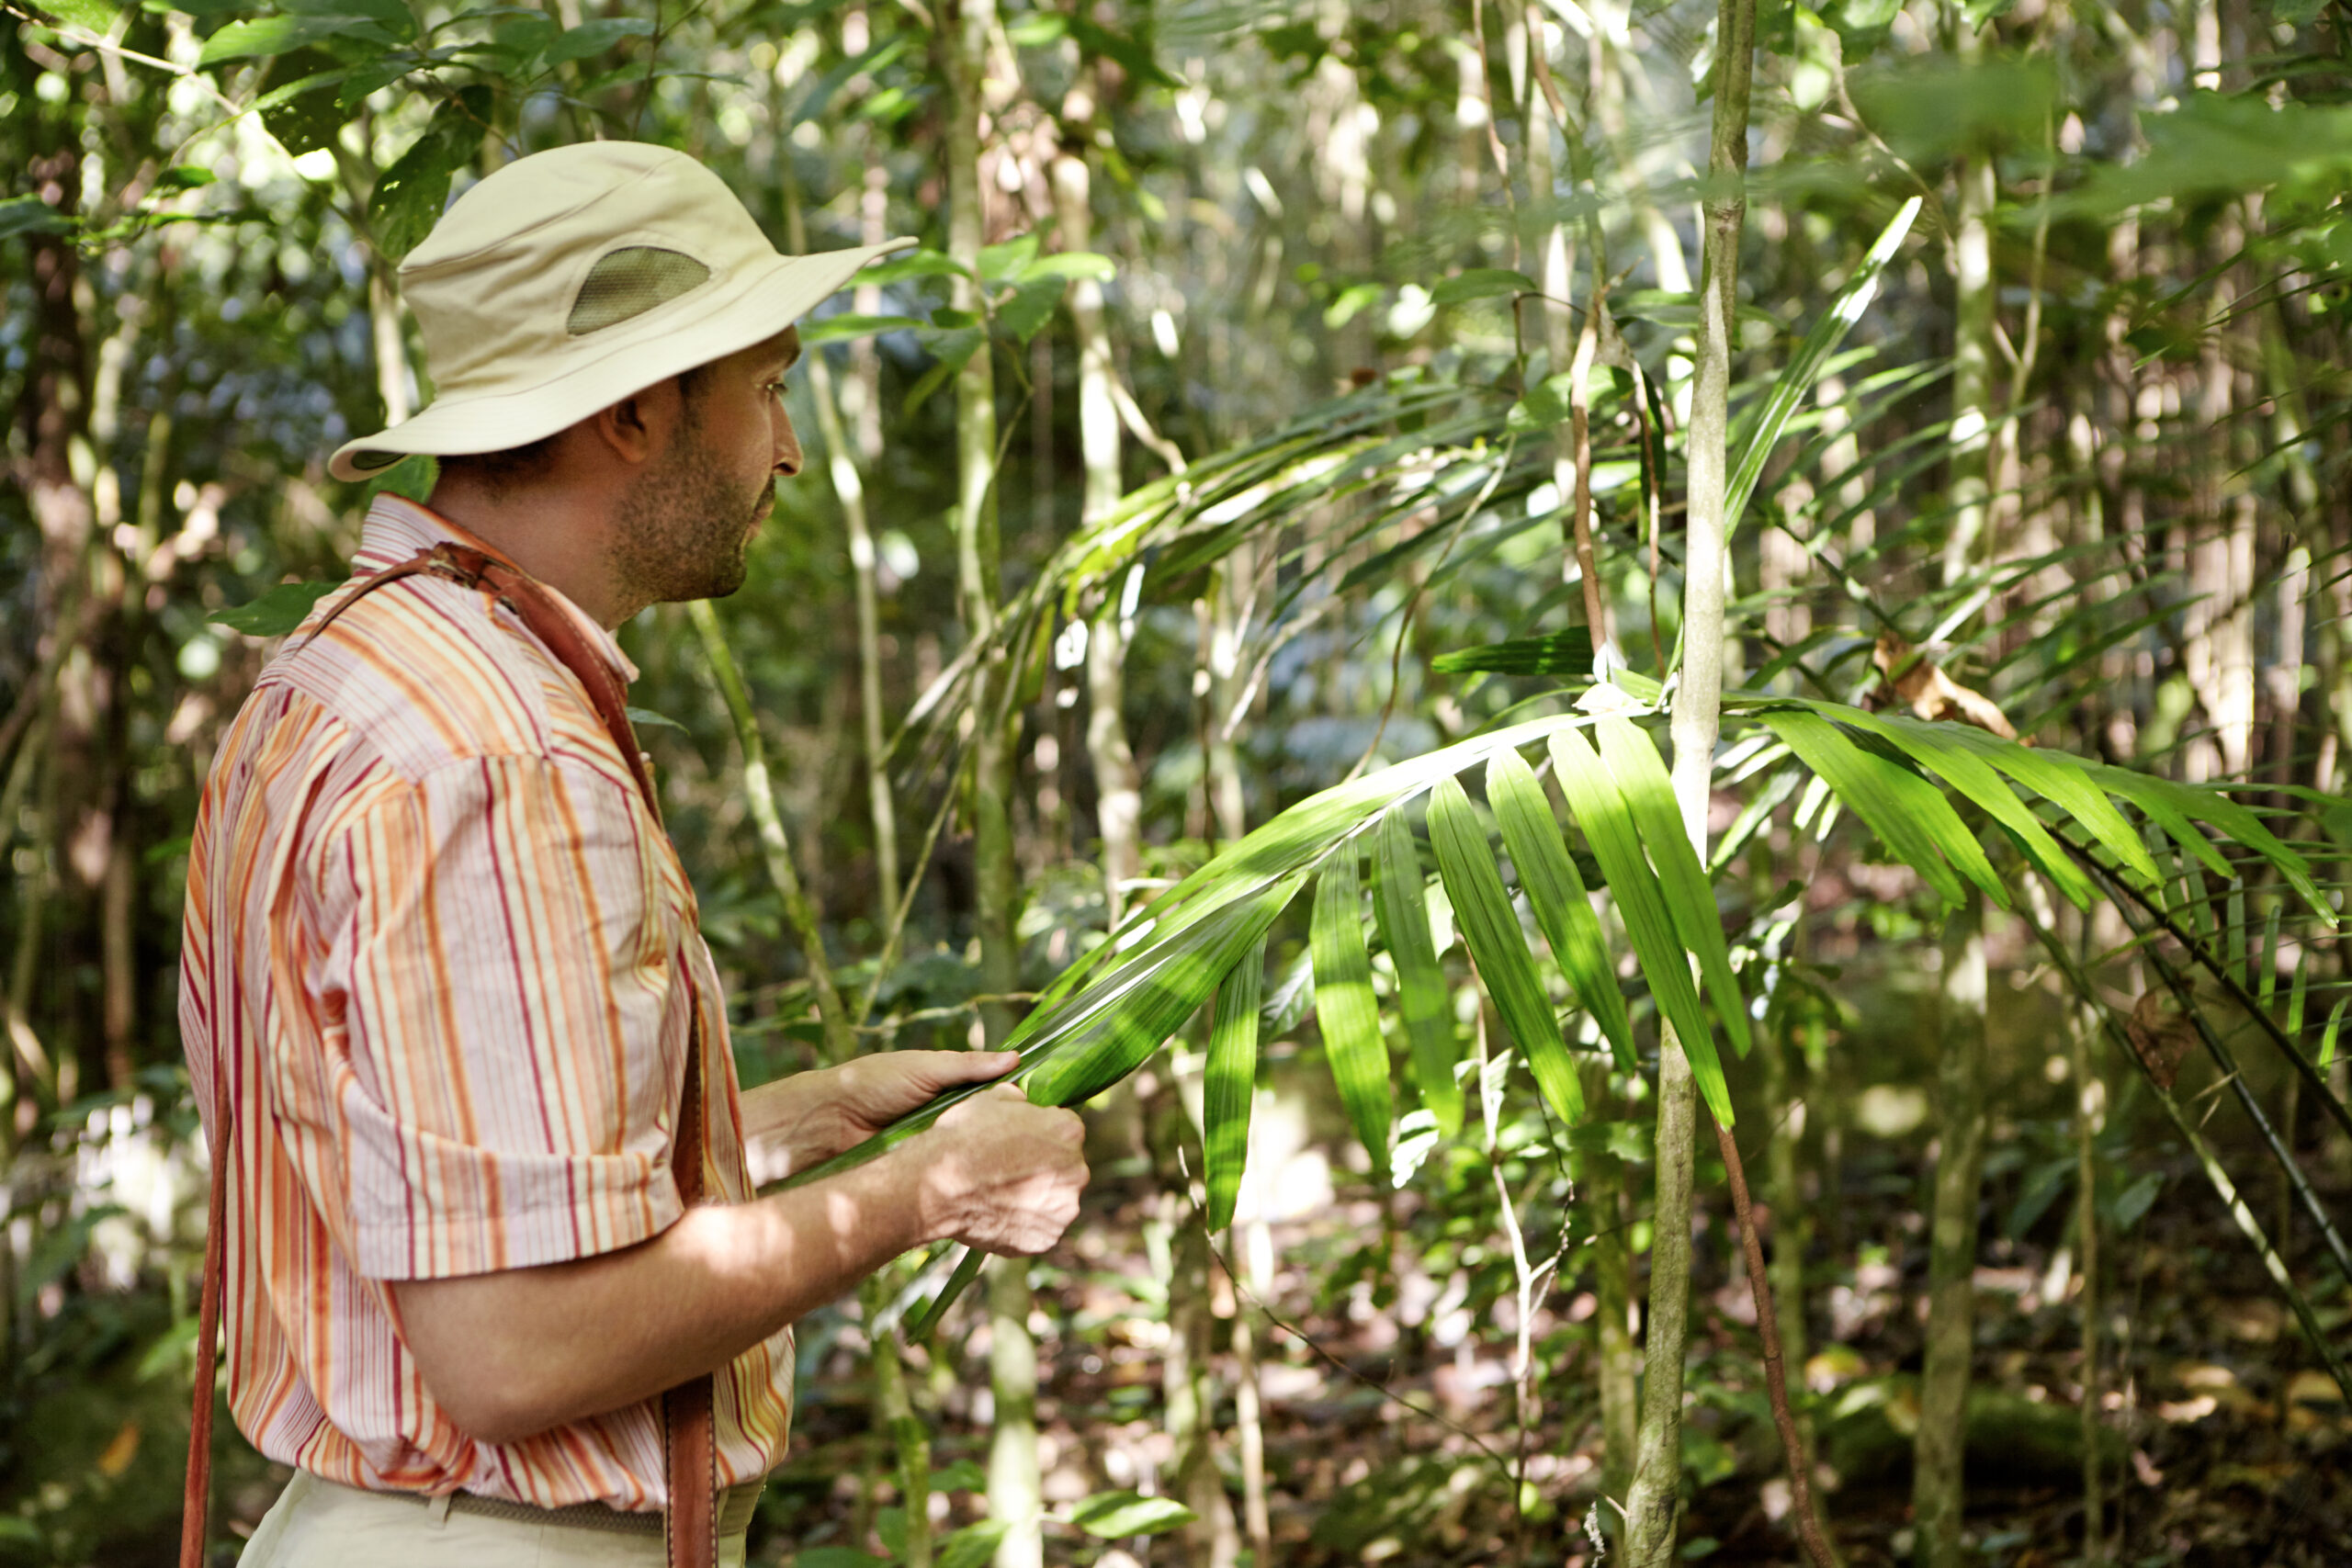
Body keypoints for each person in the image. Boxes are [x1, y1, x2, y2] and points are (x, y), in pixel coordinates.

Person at [178, 141, 1089, 1567]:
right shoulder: (502, 757)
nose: (786, 450)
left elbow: (441, 1178)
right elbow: (514, 1351)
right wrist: (930, 1192)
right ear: (643, 410)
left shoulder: (353, 676)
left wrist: (802, 1115)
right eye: (769, 389)